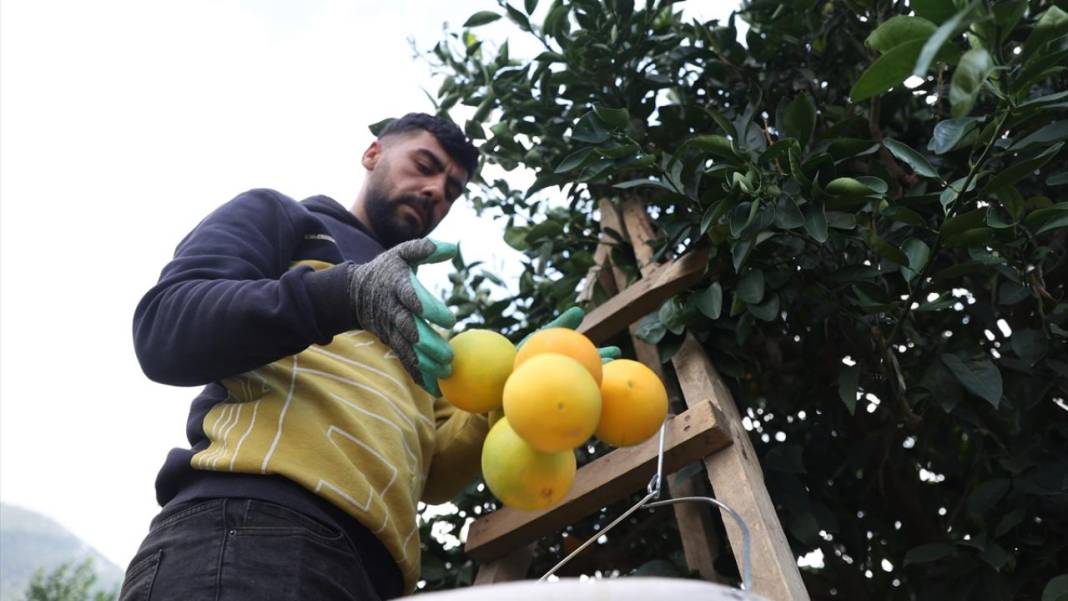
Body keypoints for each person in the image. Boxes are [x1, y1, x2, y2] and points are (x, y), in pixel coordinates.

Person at [120, 113, 487, 601]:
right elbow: (164, 326)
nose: (436, 190)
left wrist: (506, 399)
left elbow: (433, 470)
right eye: (424, 165)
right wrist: (344, 295)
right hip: (254, 527)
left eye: (452, 189)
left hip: (375, 577)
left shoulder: (426, 317)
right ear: (373, 154)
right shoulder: (284, 218)